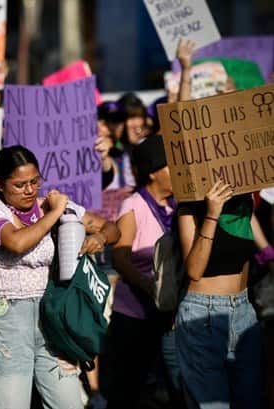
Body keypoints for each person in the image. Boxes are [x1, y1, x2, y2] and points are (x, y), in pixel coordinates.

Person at [0, 145, 120, 409]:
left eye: (34, 181)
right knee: (12, 403)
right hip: (7, 319)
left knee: (68, 402)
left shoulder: (58, 205)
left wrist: (100, 237)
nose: (30, 190)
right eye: (19, 185)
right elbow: (16, 243)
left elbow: (112, 228)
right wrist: (54, 213)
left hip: (54, 316)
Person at [105, 135, 184, 408]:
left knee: (177, 388)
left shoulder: (176, 205)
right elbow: (120, 258)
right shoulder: (133, 205)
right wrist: (152, 288)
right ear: (153, 172)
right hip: (135, 315)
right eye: (171, 166)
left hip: (170, 315)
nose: (179, 171)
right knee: (128, 389)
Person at [175, 182, 266, 409]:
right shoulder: (189, 208)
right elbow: (194, 270)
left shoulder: (243, 203)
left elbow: (244, 259)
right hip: (202, 316)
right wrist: (212, 214)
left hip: (243, 312)